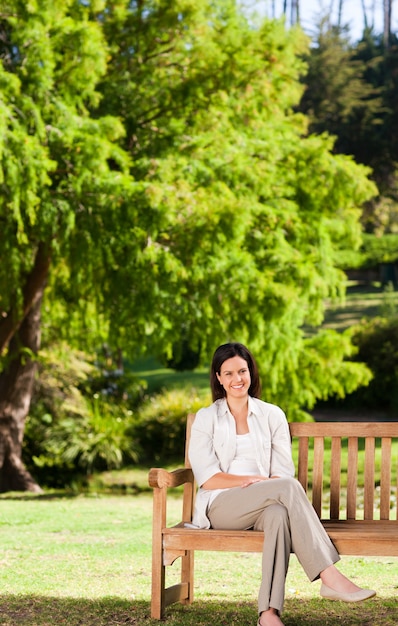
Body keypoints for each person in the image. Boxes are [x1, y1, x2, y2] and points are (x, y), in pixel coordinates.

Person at [188, 342, 376, 626]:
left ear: (251, 372)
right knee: (286, 487)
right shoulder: (207, 418)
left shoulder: (272, 414)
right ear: (218, 378)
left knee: (277, 514)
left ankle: (268, 613)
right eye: (228, 373)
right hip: (222, 505)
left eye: (242, 371)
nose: (237, 379)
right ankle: (329, 575)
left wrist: (263, 486)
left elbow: (282, 471)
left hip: (266, 500)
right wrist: (251, 481)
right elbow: (209, 478)